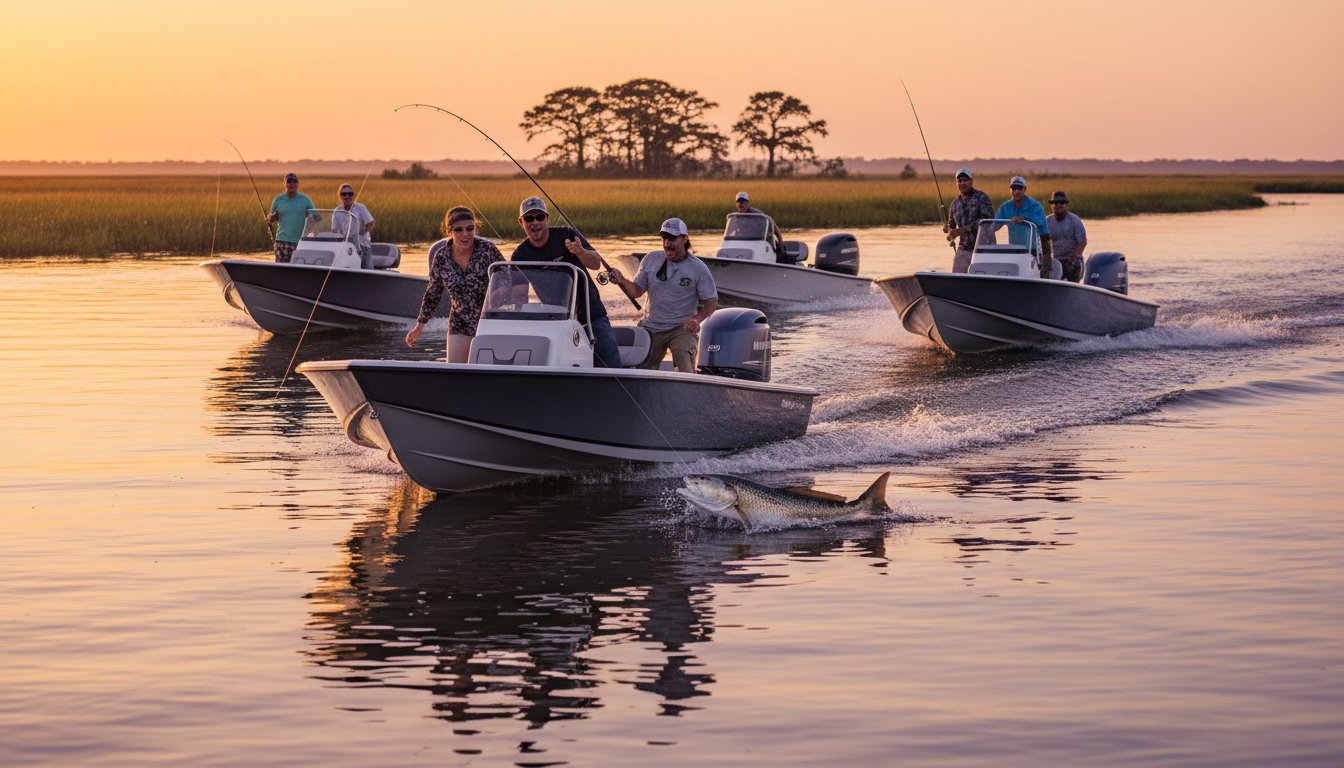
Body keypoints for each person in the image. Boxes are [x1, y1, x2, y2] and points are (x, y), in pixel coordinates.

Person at [510, 196, 622, 368]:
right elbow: (519, 297)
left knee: (611, 368)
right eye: (529, 218)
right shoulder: (520, 254)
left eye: (540, 217)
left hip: (591, 315)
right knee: (562, 368)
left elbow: (595, 263)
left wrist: (580, 252)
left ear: (547, 218)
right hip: (557, 322)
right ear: (521, 222)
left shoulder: (567, 235)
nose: (535, 222)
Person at [607, 218, 718, 373]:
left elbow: (711, 302)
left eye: (672, 238)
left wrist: (696, 320)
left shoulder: (698, 268)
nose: (667, 243)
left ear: (684, 239)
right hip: (650, 328)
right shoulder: (650, 259)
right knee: (641, 372)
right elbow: (636, 291)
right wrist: (621, 279)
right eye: (664, 238)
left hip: (681, 328)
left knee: (684, 367)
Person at [405, 206, 505, 363]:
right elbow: (433, 293)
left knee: (486, 369)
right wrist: (419, 326)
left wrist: (498, 295)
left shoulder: (488, 249)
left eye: (470, 229)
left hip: (489, 320)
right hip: (460, 322)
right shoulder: (441, 257)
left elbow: (507, 278)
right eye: (458, 229)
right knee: (455, 369)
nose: (465, 234)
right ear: (449, 231)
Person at [995, 175, 1052, 277]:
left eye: (1019, 188)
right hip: (1014, 250)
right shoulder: (1005, 207)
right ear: (1010, 190)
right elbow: (994, 225)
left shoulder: (1035, 206)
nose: (1016, 191)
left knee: (1042, 275)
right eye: (1014, 188)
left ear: (1025, 189)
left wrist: (1023, 219)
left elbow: (1038, 223)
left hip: (1035, 250)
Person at [944, 168, 995, 273]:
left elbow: (987, 221)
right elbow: (951, 224)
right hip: (964, 248)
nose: (962, 183)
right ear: (957, 183)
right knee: (956, 277)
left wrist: (962, 230)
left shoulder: (982, 197)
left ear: (971, 181)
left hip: (984, 248)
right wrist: (949, 229)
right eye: (959, 181)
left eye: (965, 180)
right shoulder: (954, 204)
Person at [267, 172, 317, 263]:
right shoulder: (278, 199)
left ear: (298, 184)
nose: (292, 184)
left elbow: (317, 217)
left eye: (294, 182)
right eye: (289, 181)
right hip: (281, 241)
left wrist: (311, 224)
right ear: (284, 183)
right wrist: (271, 217)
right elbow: (270, 219)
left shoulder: (305, 199)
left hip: (299, 242)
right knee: (281, 268)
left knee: (297, 267)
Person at [1045, 191, 1088, 282]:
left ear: (1066, 204)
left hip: (1074, 260)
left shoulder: (1074, 220)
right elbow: (1043, 242)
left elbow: (1082, 242)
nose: (1059, 205)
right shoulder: (1047, 221)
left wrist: (1072, 260)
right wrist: (1047, 259)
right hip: (1057, 261)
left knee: (1075, 266)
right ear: (1051, 205)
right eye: (1056, 203)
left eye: (1062, 202)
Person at [331, 183, 375, 268]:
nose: (347, 196)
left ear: (353, 195)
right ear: (340, 196)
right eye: (344, 194)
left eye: (350, 194)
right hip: (345, 246)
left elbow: (371, 223)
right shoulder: (337, 211)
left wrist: (362, 232)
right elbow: (334, 230)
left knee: (368, 269)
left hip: (363, 245)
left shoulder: (361, 207)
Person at [734, 191, 785, 257]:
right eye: (738, 201)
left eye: (743, 201)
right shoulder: (736, 217)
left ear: (748, 203)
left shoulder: (758, 215)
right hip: (748, 247)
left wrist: (781, 247)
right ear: (736, 204)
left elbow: (776, 230)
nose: (741, 203)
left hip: (765, 247)